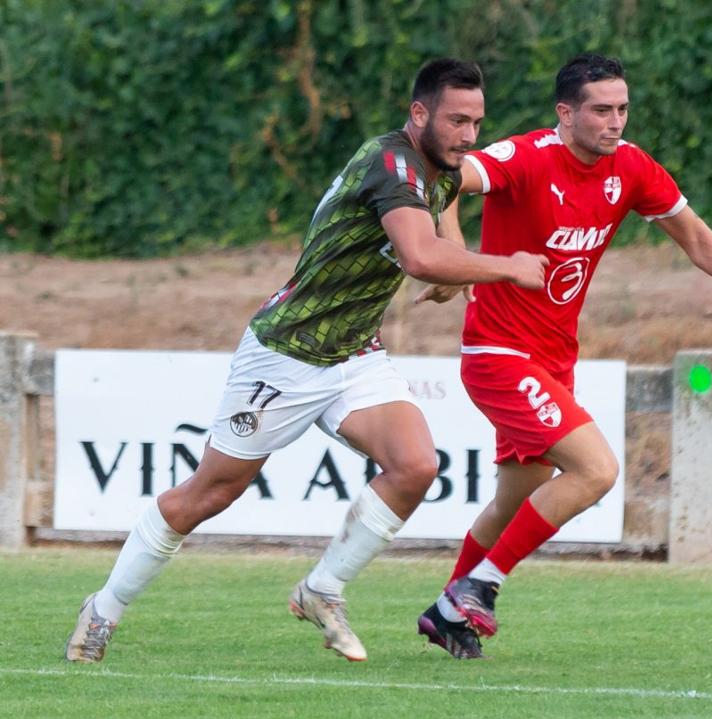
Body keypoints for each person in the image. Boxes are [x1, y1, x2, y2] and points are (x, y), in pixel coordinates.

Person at [64, 58, 548, 664]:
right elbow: (420, 255)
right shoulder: (390, 162)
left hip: (354, 352)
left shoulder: (439, 169)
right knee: (209, 494)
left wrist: (454, 263)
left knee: (416, 464)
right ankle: (103, 608)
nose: (469, 136)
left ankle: (323, 589)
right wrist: (504, 265)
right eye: (456, 120)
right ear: (418, 113)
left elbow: (435, 238)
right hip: (286, 352)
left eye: (477, 123)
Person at [413, 53, 712, 659]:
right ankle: (478, 589)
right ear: (566, 113)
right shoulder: (526, 156)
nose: (616, 122)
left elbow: (689, 229)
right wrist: (453, 258)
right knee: (596, 471)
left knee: (514, 500)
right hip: (498, 351)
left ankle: (446, 612)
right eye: (602, 110)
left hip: (554, 359)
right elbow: (445, 177)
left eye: (623, 109)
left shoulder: (630, 167)